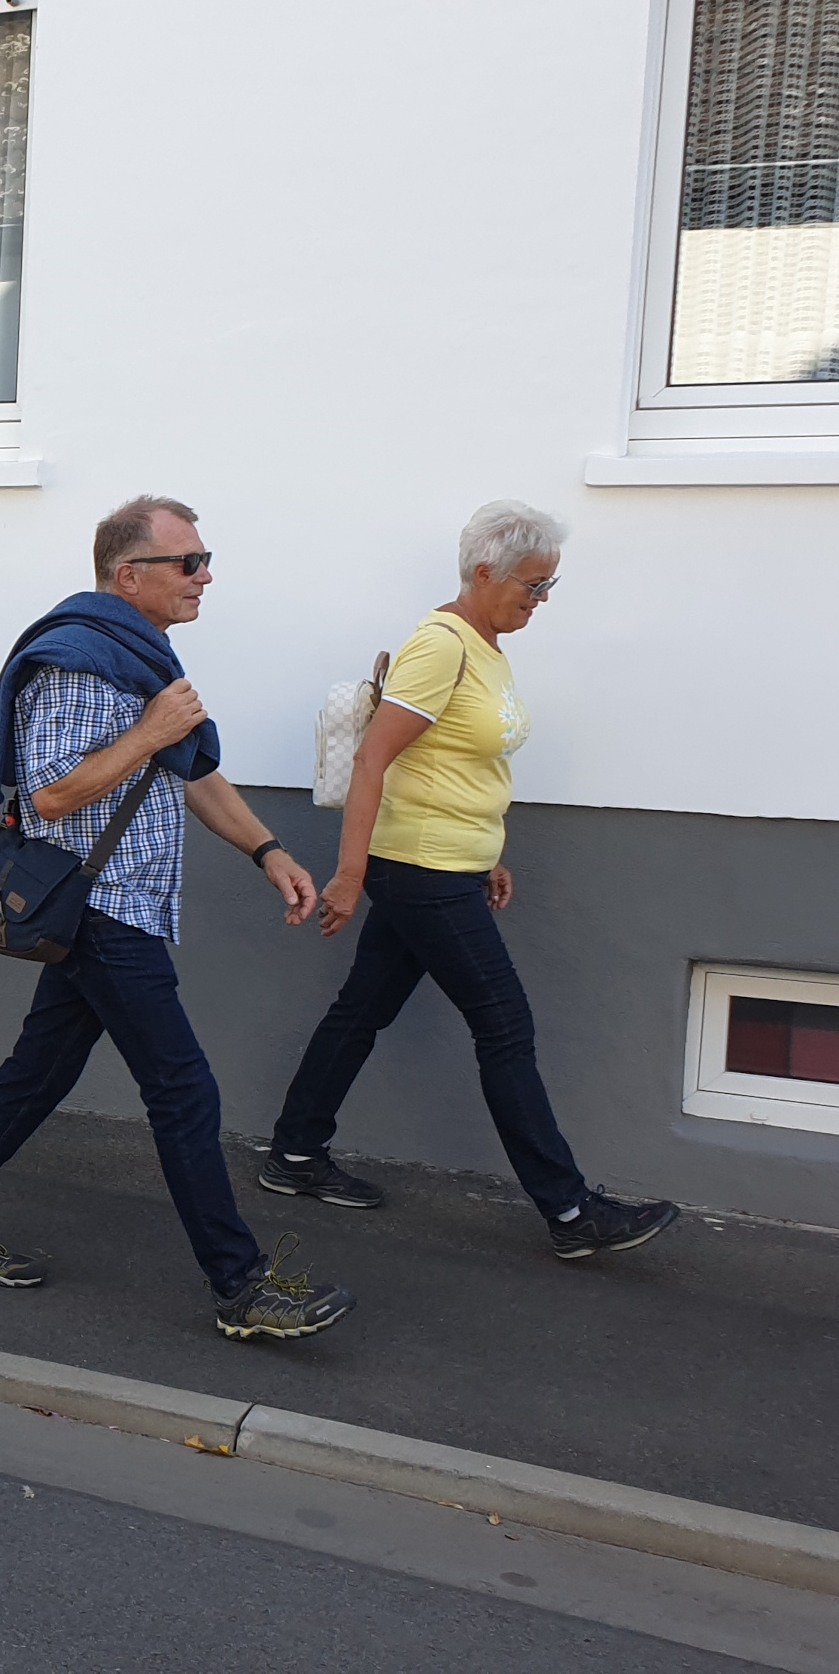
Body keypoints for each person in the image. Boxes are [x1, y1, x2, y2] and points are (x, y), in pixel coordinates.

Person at [0, 495, 355, 1343]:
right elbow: (52, 793)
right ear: (128, 574)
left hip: (123, 904)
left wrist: (269, 852)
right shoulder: (79, 661)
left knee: (36, 1074)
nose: (204, 576)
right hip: (101, 906)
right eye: (188, 563)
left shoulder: (140, 656)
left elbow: (189, 772)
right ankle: (241, 1285)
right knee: (183, 1090)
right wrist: (150, 731)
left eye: (203, 560)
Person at [266, 502, 680, 1260]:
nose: (541, 599)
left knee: (363, 1009)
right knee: (504, 1025)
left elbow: (463, 762)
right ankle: (570, 1211)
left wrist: (489, 852)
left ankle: (294, 1152)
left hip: (449, 862)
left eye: (550, 586)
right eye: (533, 585)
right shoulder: (440, 646)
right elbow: (373, 759)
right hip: (421, 869)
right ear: (485, 572)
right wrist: (349, 873)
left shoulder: (487, 647)